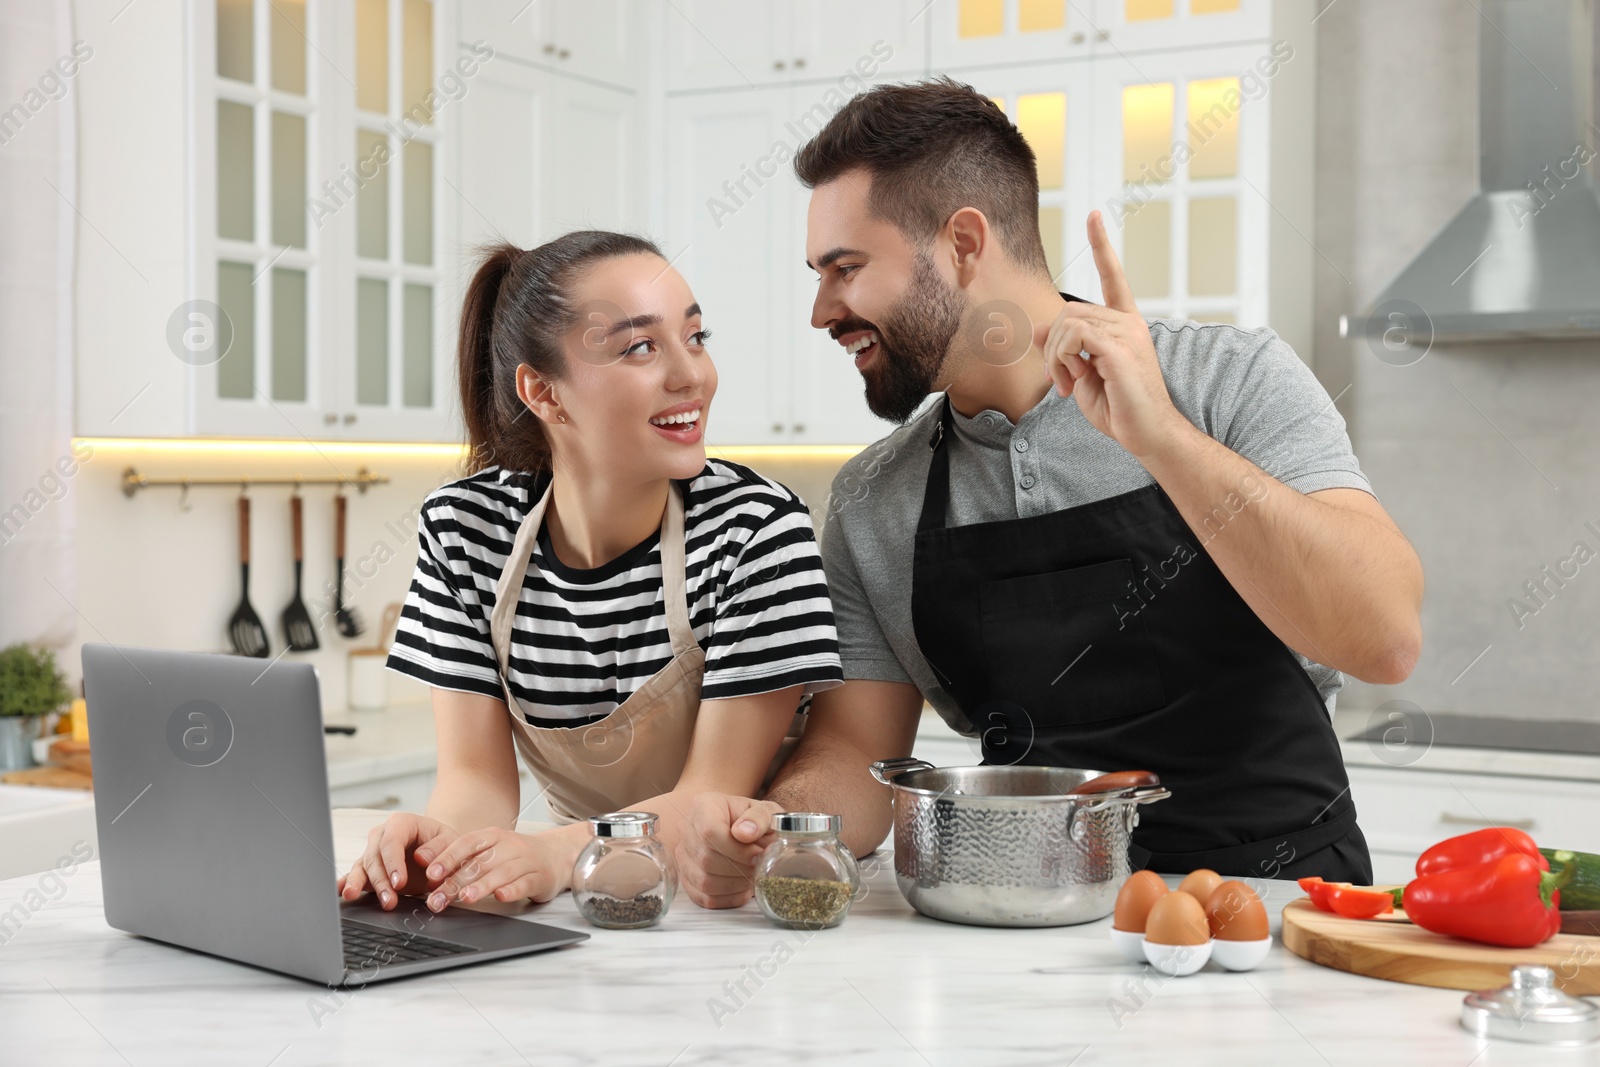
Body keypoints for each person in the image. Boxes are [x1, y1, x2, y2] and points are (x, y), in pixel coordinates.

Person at [683, 77, 1423, 897]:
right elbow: (855, 752)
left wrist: (1163, 439)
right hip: (1035, 919)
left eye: (846, 269)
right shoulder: (871, 501)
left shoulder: (1226, 380)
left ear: (964, 243)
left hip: (1281, 910)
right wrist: (784, 828)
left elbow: (1384, 636)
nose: (822, 311)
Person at [337, 231, 843, 913]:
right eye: (641, 347)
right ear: (542, 390)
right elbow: (475, 783)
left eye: (695, 337)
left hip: (742, 906)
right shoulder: (464, 531)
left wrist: (557, 852)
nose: (691, 373)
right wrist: (435, 847)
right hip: (589, 901)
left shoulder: (757, 530)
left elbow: (707, 797)